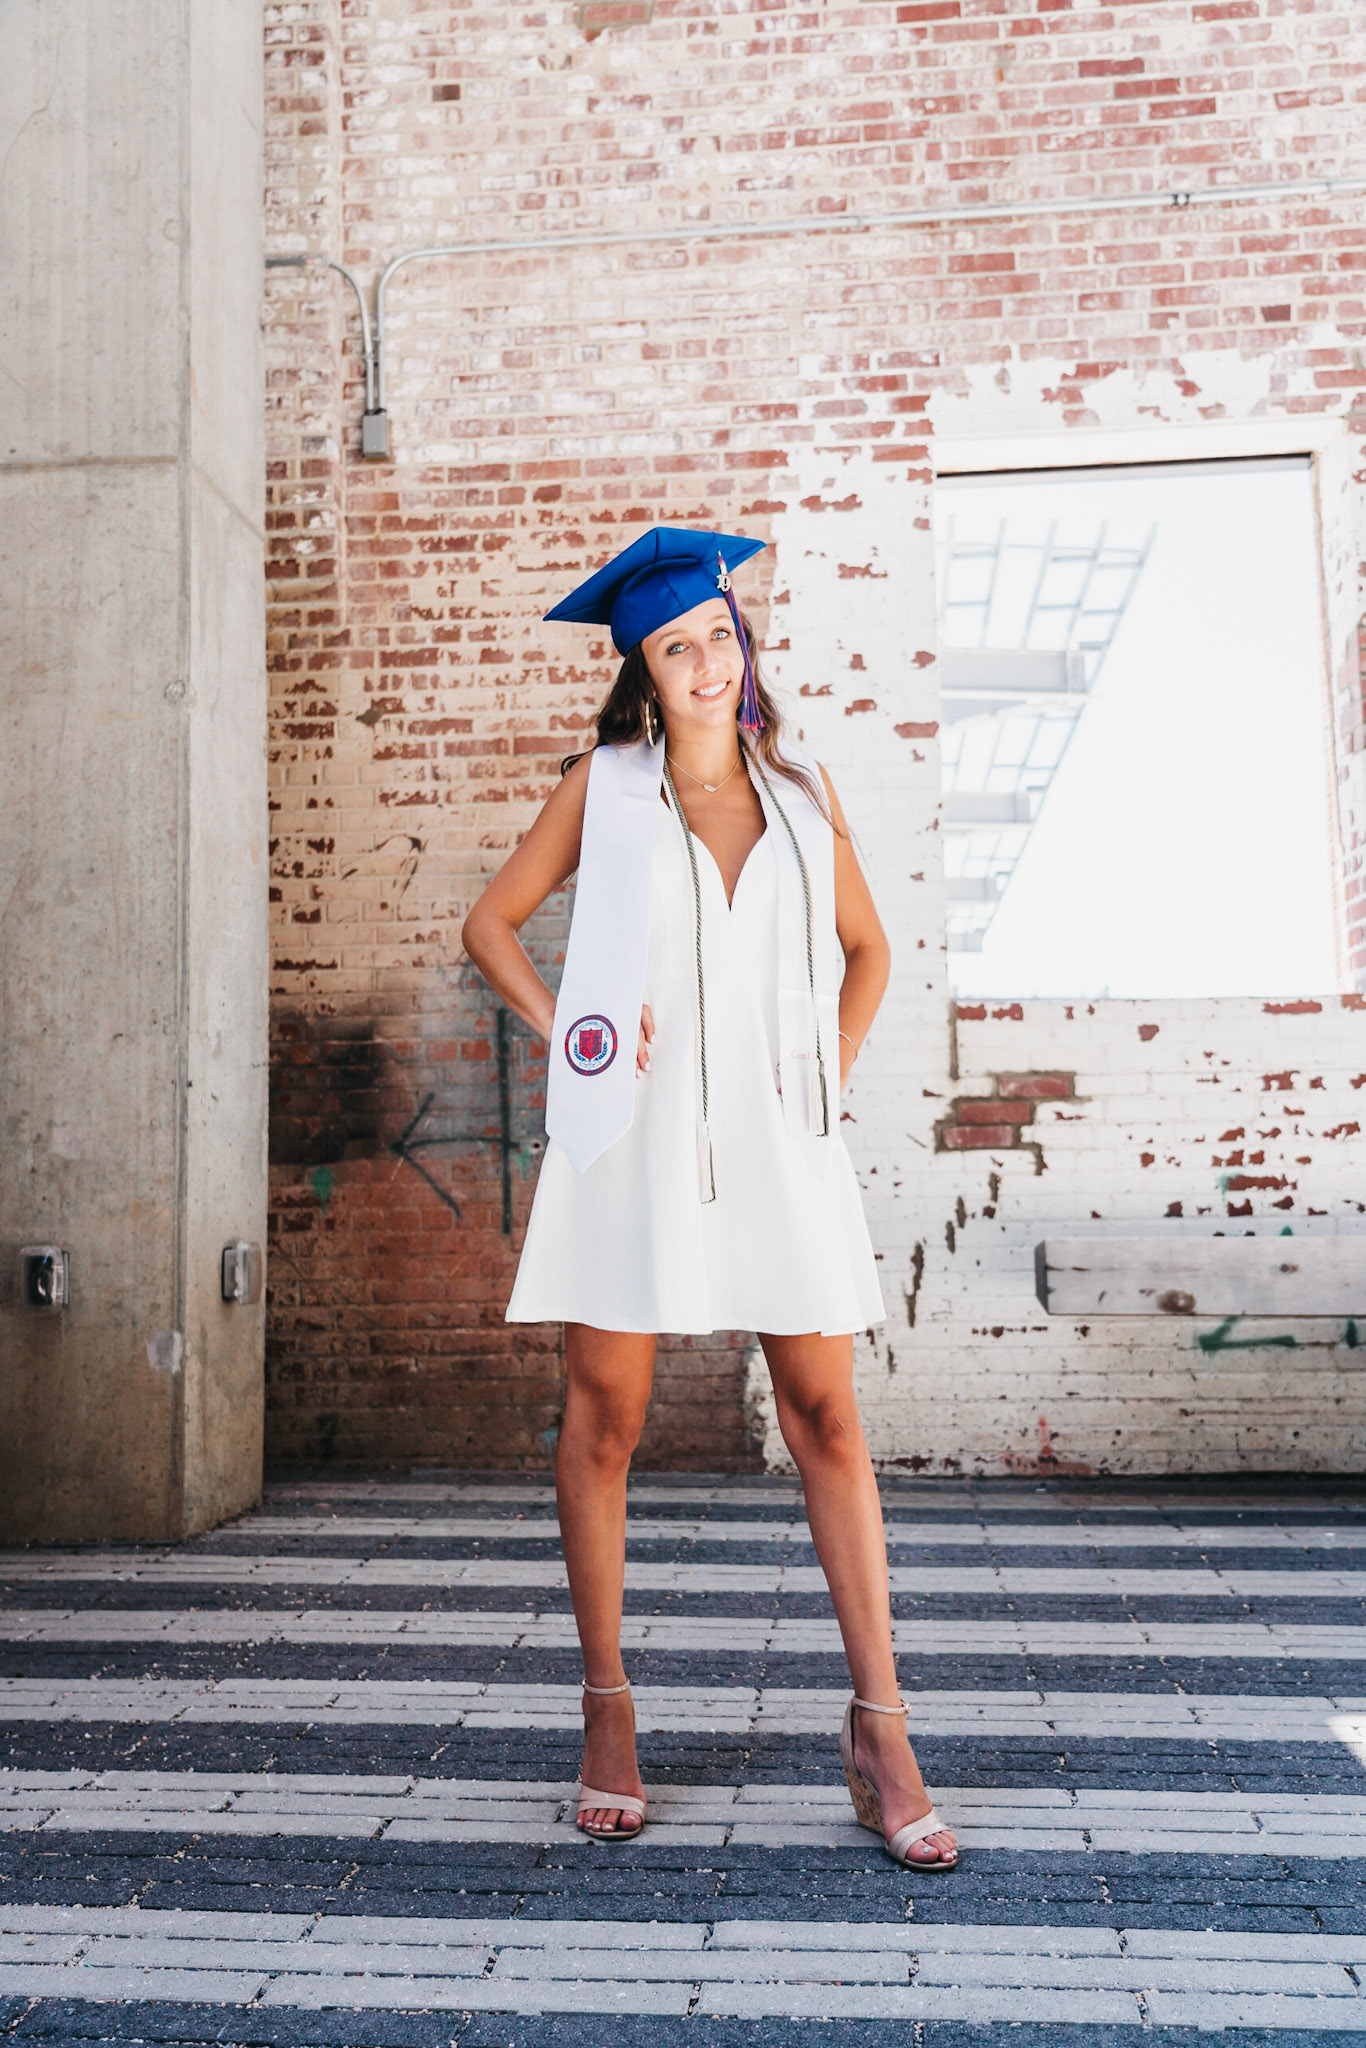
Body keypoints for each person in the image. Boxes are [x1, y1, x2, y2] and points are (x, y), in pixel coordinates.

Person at [462, 526, 957, 1870]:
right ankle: (608, 1711)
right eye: (675, 647)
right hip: (631, 1142)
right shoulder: (606, 788)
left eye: (719, 638)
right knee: (605, 1421)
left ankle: (881, 1728)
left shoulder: (801, 790)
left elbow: (869, 949)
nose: (705, 664)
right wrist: (578, 1034)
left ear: (743, 648)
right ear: (642, 668)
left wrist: (827, 1065)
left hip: (782, 1140)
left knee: (828, 1419)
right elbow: (489, 925)